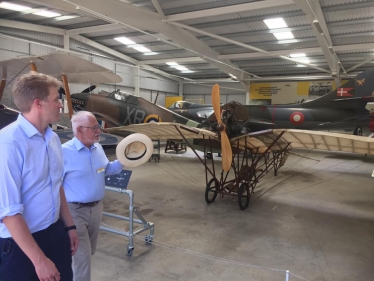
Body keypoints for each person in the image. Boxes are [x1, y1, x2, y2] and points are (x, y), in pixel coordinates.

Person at [0, 72, 79, 281]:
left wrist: (69, 226)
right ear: (38, 104)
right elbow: (9, 212)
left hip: (54, 232)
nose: (61, 105)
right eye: (56, 99)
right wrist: (39, 260)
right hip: (21, 245)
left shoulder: (52, 138)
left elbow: (56, 184)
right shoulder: (8, 144)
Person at [62, 111, 123, 281]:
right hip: (74, 211)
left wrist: (125, 159)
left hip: (96, 208)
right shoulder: (64, 152)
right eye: (94, 127)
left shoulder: (98, 148)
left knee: (89, 252)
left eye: (99, 126)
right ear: (80, 130)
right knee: (83, 258)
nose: (99, 130)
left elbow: (107, 170)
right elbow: (54, 184)